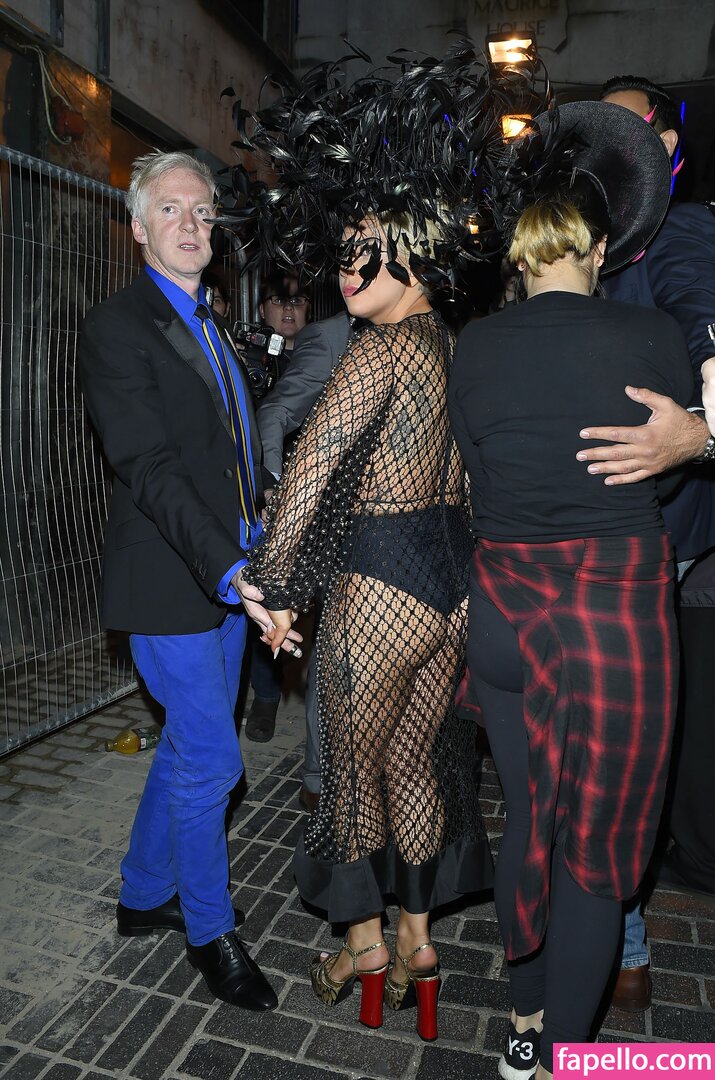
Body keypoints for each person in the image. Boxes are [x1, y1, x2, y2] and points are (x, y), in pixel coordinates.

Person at [231, 46, 498, 1040]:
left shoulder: (377, 351)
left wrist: (271, 588)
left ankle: (363, 948)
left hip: (381, 579)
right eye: (342, 251)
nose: (346, 268)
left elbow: (308, 472)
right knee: (416, 765)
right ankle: (420, 943)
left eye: (366, 251)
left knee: (351, 775)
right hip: (450, 582)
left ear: (414, 253)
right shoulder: (450, 346)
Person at [448, 101, 692, 1079]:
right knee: (596, 851)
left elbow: (475, 477)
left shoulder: (475, 345)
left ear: (520, 254)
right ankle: (562, 1058)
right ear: (596, 248)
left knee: (528, 818)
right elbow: (661, 474)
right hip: (611, 613)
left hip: (504, 611)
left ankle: (522, 1022)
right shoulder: (649, 333)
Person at [79, 150, 302, 1011]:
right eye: (169, 209)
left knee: (183, 747)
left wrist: (263, 534)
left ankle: (144, 894)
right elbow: (149, 465)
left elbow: (230, 457)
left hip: (231, 577)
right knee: (214, 761)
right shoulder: (118, 325)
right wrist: (232, 567)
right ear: (138, 227)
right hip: (174, 578)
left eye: (203, 211)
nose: (189, 224)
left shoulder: (214, 323)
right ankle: (211, 933)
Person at [575, 75, 715, 1009]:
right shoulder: (593, 241)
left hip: (656, 546)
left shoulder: (680, 231)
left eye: (623, 129)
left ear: (666, 148)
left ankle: (621, 946)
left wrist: (698, 437)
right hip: (587, 534)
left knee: (623, 743)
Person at [256, 309, 354, 806]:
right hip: (338, 527)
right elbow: (275, 413)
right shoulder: (332, 336)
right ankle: (318, 781)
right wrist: (275, 491)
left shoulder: (441, 328)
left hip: (419, 531)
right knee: (336, 653)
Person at [243, 271, 312, 742]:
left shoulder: (329, 354)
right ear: (262, 308)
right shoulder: (243, 358)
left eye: (298, 300)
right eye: (278, 300)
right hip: (264, 494)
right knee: (264, 594)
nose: (288, 309)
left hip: (317, 495)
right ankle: (265, 697)